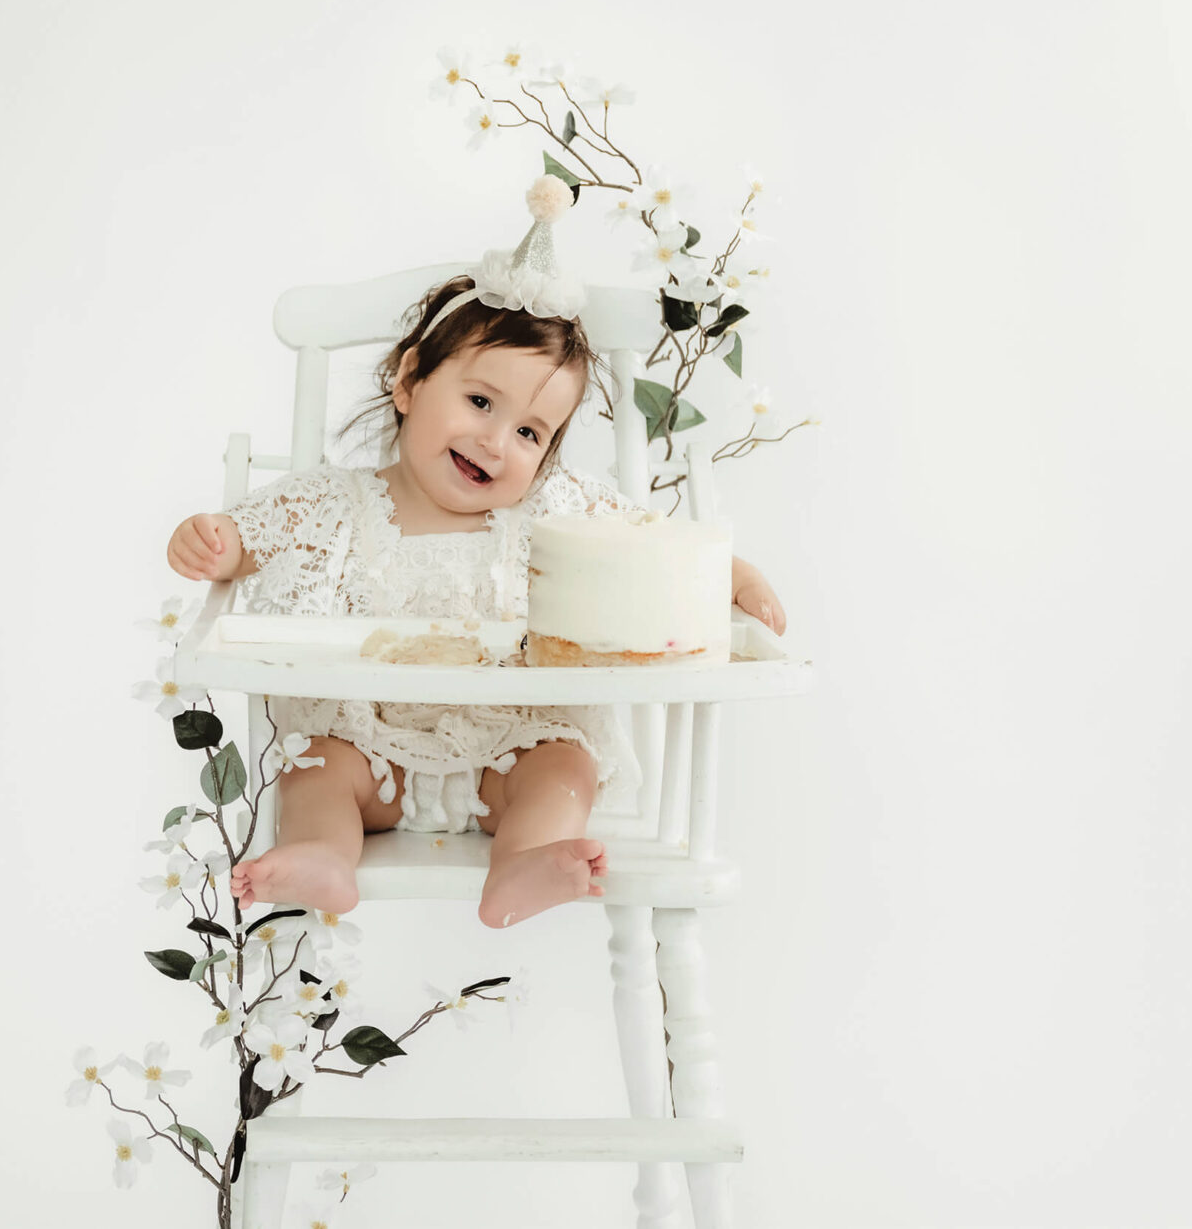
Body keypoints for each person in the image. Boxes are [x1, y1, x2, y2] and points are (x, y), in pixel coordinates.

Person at [165, 184, 788, 930]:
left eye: (530, 434)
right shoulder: (333, 500)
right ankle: (323, 855)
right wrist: (213, 542)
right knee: (314, 767)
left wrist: (735, 576)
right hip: (370, 744)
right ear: (408, 380)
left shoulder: (555, 512)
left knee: (566, 765)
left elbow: (653, 548)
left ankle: (525, 859)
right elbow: (247, 538)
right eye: (482, 403)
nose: (497, 442)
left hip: (509, 740)